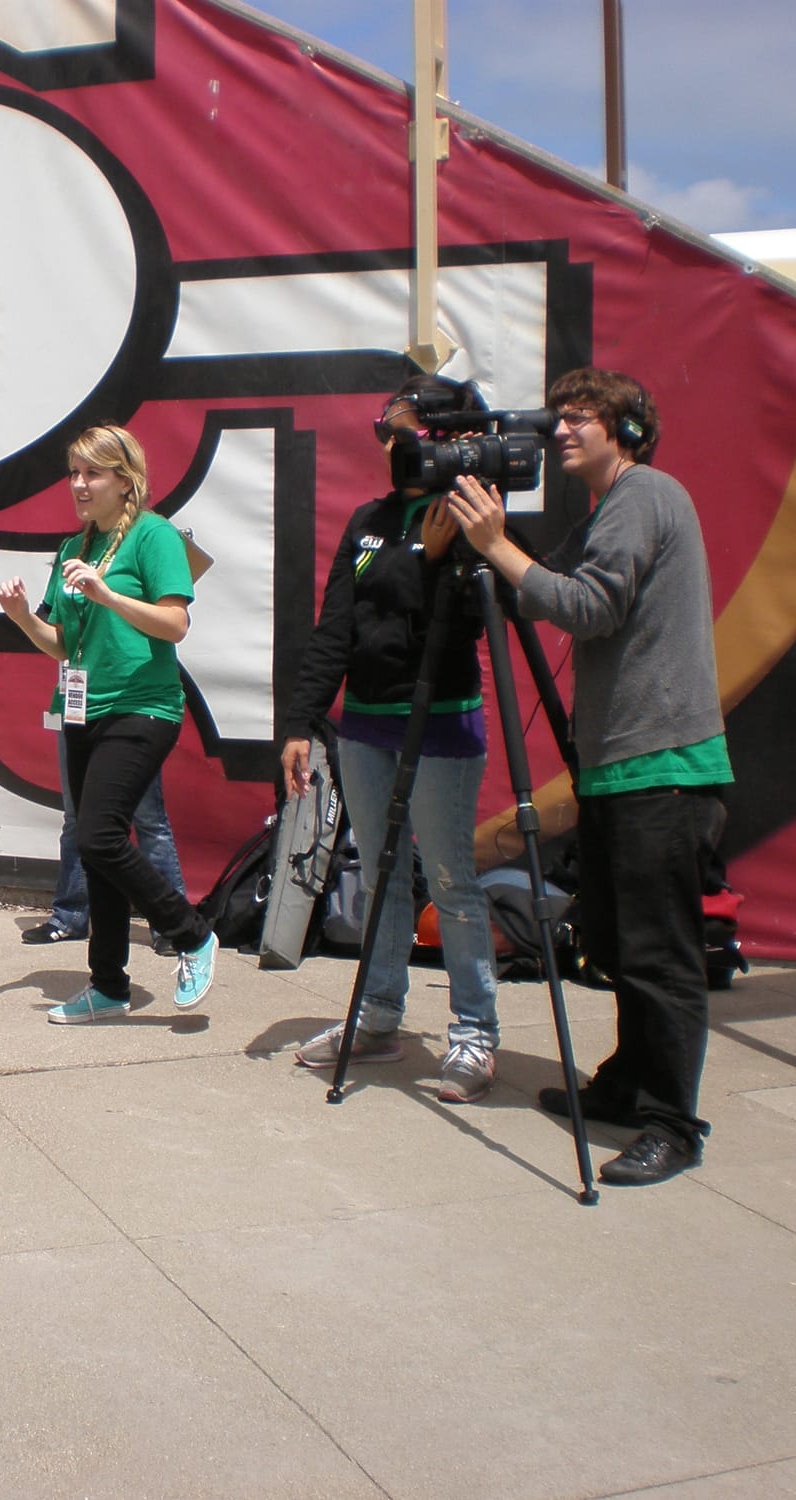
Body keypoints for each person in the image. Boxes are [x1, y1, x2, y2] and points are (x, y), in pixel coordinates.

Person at [446, 367, 732, 1186]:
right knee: (612, 940)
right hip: (620, 768)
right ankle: (630, 1082)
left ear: (628, 430)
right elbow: (540, 595)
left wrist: (496, 544)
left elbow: (590, 607)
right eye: (559, 419)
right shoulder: (612, 508)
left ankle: (673, 1123)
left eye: (582, 420)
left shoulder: (643, 494)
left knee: (658, 954)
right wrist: (485, 533)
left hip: (662, 766)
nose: (563, 431)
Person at [282, 376, 502, 1103]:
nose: (388, 443)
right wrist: (303, 724)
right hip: (367, 726)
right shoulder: (369, 519)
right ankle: (378, 1015)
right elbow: (336, 626)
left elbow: (462, 625)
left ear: (440, 437)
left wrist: (438, 560)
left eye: (401, 430)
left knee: (449, 879)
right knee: (379, 875)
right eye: (383, 428)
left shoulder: (471, 515)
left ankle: (474, 1033)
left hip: (439, 721)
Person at [0, 424, 218, 1023]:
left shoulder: (153, 536)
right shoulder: (72, 549)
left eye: (93, 473)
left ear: (126, 480)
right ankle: (109, 986)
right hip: (83, 708)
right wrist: (20, 617)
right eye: (74, 473)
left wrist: (109, 595)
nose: (79, 485)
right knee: (96, 852)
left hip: (143, 706)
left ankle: (192, 934)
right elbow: (63, 644)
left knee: (99, 835)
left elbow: (175, 625)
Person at [25, 753, 187, 957]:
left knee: (149, 818)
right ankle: (69, 918)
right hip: (76, 723)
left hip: (131, 724)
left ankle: (172, 926)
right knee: (76, 816)